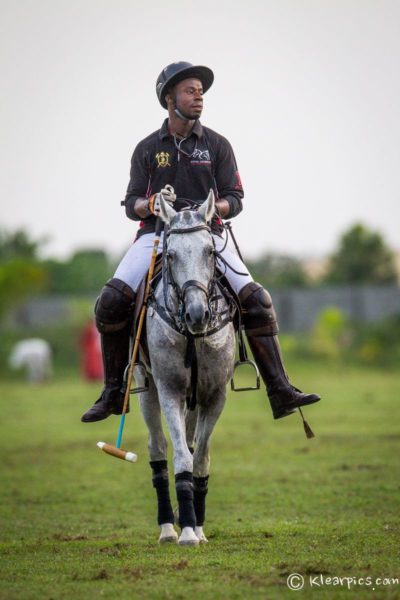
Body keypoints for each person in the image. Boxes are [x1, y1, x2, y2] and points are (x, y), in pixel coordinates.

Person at [81, 61, 320, 423]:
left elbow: (234, 198)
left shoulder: (217, 145)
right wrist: (151, 204)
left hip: (209, 235)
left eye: (200, 91)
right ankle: (114, 392)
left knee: (258, 300)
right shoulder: (147, 148)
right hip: (157, 236)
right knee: (111, 301)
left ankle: (280, 389)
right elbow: (132, 204)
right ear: (168, 98)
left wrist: (212, 209)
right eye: (190, 91)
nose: (199, 97)